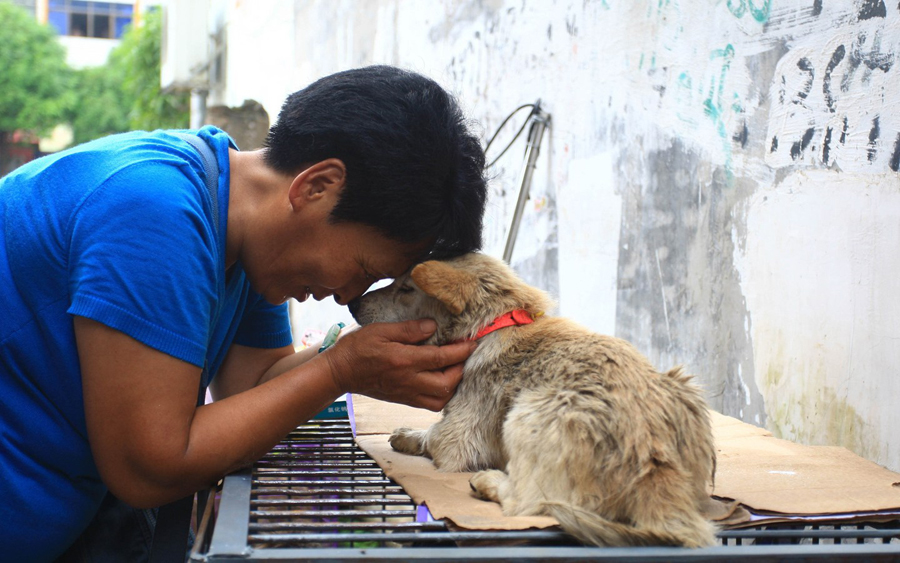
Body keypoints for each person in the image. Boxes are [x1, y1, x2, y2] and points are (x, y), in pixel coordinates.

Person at [0, 65, 487, 561]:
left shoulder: (243, 226)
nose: (348, 297)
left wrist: (361, 362)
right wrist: (342, 367)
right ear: (316, 186)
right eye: (361, 268)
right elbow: (148, 468)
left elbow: (254, 388)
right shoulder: (154, 213)